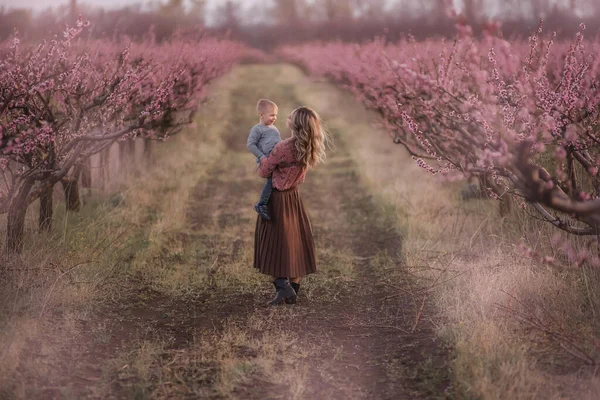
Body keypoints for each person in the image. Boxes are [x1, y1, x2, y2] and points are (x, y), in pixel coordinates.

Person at [254, 106, 330, 305]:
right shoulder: (308, 146)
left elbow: (264, 171)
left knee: (274, 241)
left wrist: (262, 157)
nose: (286, 117)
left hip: (278, 199)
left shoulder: (283, 147)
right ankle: (292, 291)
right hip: (294, 198)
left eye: (290, 116)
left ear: (294, 124)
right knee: (295, 241)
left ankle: (283, 286)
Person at [247, 99, 281, 221]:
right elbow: (251, 145)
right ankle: (261, 204)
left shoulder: (274, 128)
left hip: (275, 160)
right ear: (261, 115)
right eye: (272, 115)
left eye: (276, 115)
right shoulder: (257, 129)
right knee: (271, 181)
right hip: (266, 161)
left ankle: (276, 203)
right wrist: (262, 157)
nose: (275, 117)